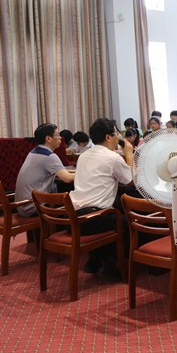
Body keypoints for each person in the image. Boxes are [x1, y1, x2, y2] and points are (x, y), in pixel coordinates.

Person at [69, 118, 134, 276]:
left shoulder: (83, 156)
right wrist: (129, 154)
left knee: (117, 207)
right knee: (134, 221)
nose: (118, 137)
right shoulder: (113, 158)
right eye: (116, 134)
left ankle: (96, 259)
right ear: (108, 137)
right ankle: (112, 262)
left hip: (72, 216)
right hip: (94, 219)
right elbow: (131, 181)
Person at [14, 123, 76, 217]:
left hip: (22, 205)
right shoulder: (49, 156)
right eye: (58, 135)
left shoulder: (34, 152)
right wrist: (85, 173)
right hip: (33, 207)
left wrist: (76, 172)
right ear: (48, 138)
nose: (60, 138)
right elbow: (67, 178)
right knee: (71, 203)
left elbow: (63, 172)